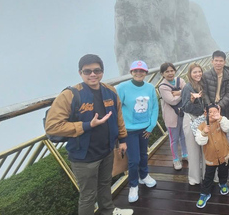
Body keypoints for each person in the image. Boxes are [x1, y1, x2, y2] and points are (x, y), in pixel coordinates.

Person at [45, 54, 133, 215]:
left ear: (102, 72)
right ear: (80, 73)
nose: (93, 74)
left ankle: (108, 210)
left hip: (106, 151)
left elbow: (118, 116)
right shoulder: (70, 95)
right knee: (88, 195)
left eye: (97, 70)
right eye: (87, 71)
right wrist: (87, 125)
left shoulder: (110, 91)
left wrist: (122, 139)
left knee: (105, 183)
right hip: (84, 156)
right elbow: (52, 127)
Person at [116, 60, 159, 203]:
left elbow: (154, 107)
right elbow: (116, 109)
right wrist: (120, 129)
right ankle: (133, 185)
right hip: (129, 130)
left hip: (145, 129)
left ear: (146, 73)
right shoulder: (122, 88)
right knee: (134, 160)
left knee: (143, 155)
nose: (139, 73)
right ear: (131, 72)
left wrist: (151, 125)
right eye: (136, 71)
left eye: (142, 71)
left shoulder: (150, 88)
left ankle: (144, 176)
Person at [194, 104, 229, 208]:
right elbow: (200, 141)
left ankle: (223, 183)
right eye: (210, 112)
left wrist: (220, 118)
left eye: (215, 112)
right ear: (205, 113)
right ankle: (205, 193)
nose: (213, 114)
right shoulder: (201, 126)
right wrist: (204, 133)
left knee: (224, 171)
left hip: (223, 155)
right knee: (208, 176)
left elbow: (228, 126)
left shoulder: (221, 122)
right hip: (211, 158)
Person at [158, 62, 188, 171]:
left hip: (183, 114)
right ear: (162, 74)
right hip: (171, 116)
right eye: (167, 71)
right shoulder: (162, 86)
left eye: (172, 70)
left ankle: (185, 154)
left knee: (183, 136)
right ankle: (175, 159)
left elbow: (188, 92)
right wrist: (182, 93)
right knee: (174, 139)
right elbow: (172, 101)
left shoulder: (181, 80)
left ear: (175, 71)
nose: (170, 73)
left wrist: (178, 93)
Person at [181, 63, 207, 185]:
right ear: (190, 74)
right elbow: (185, 107)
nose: (198, 74)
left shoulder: (203, 85)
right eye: (194, 72)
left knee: (206, 149)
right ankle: (194, 179)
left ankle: (207, 176)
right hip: (191, 119)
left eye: (199, 71)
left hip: (203, 119)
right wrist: (192, 100)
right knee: (193, 150)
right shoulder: (187, 87)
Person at [202, 50, 229, 122]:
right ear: (212, 61)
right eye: (216, 60)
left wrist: (219, 106)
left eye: (221, 61)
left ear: (224, 62)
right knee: (211, 130)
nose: (218, 63)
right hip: (210, 108)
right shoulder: (206, 75)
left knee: (223, 130)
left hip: (224, 108)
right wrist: (210, 106)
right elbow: (204, 92)